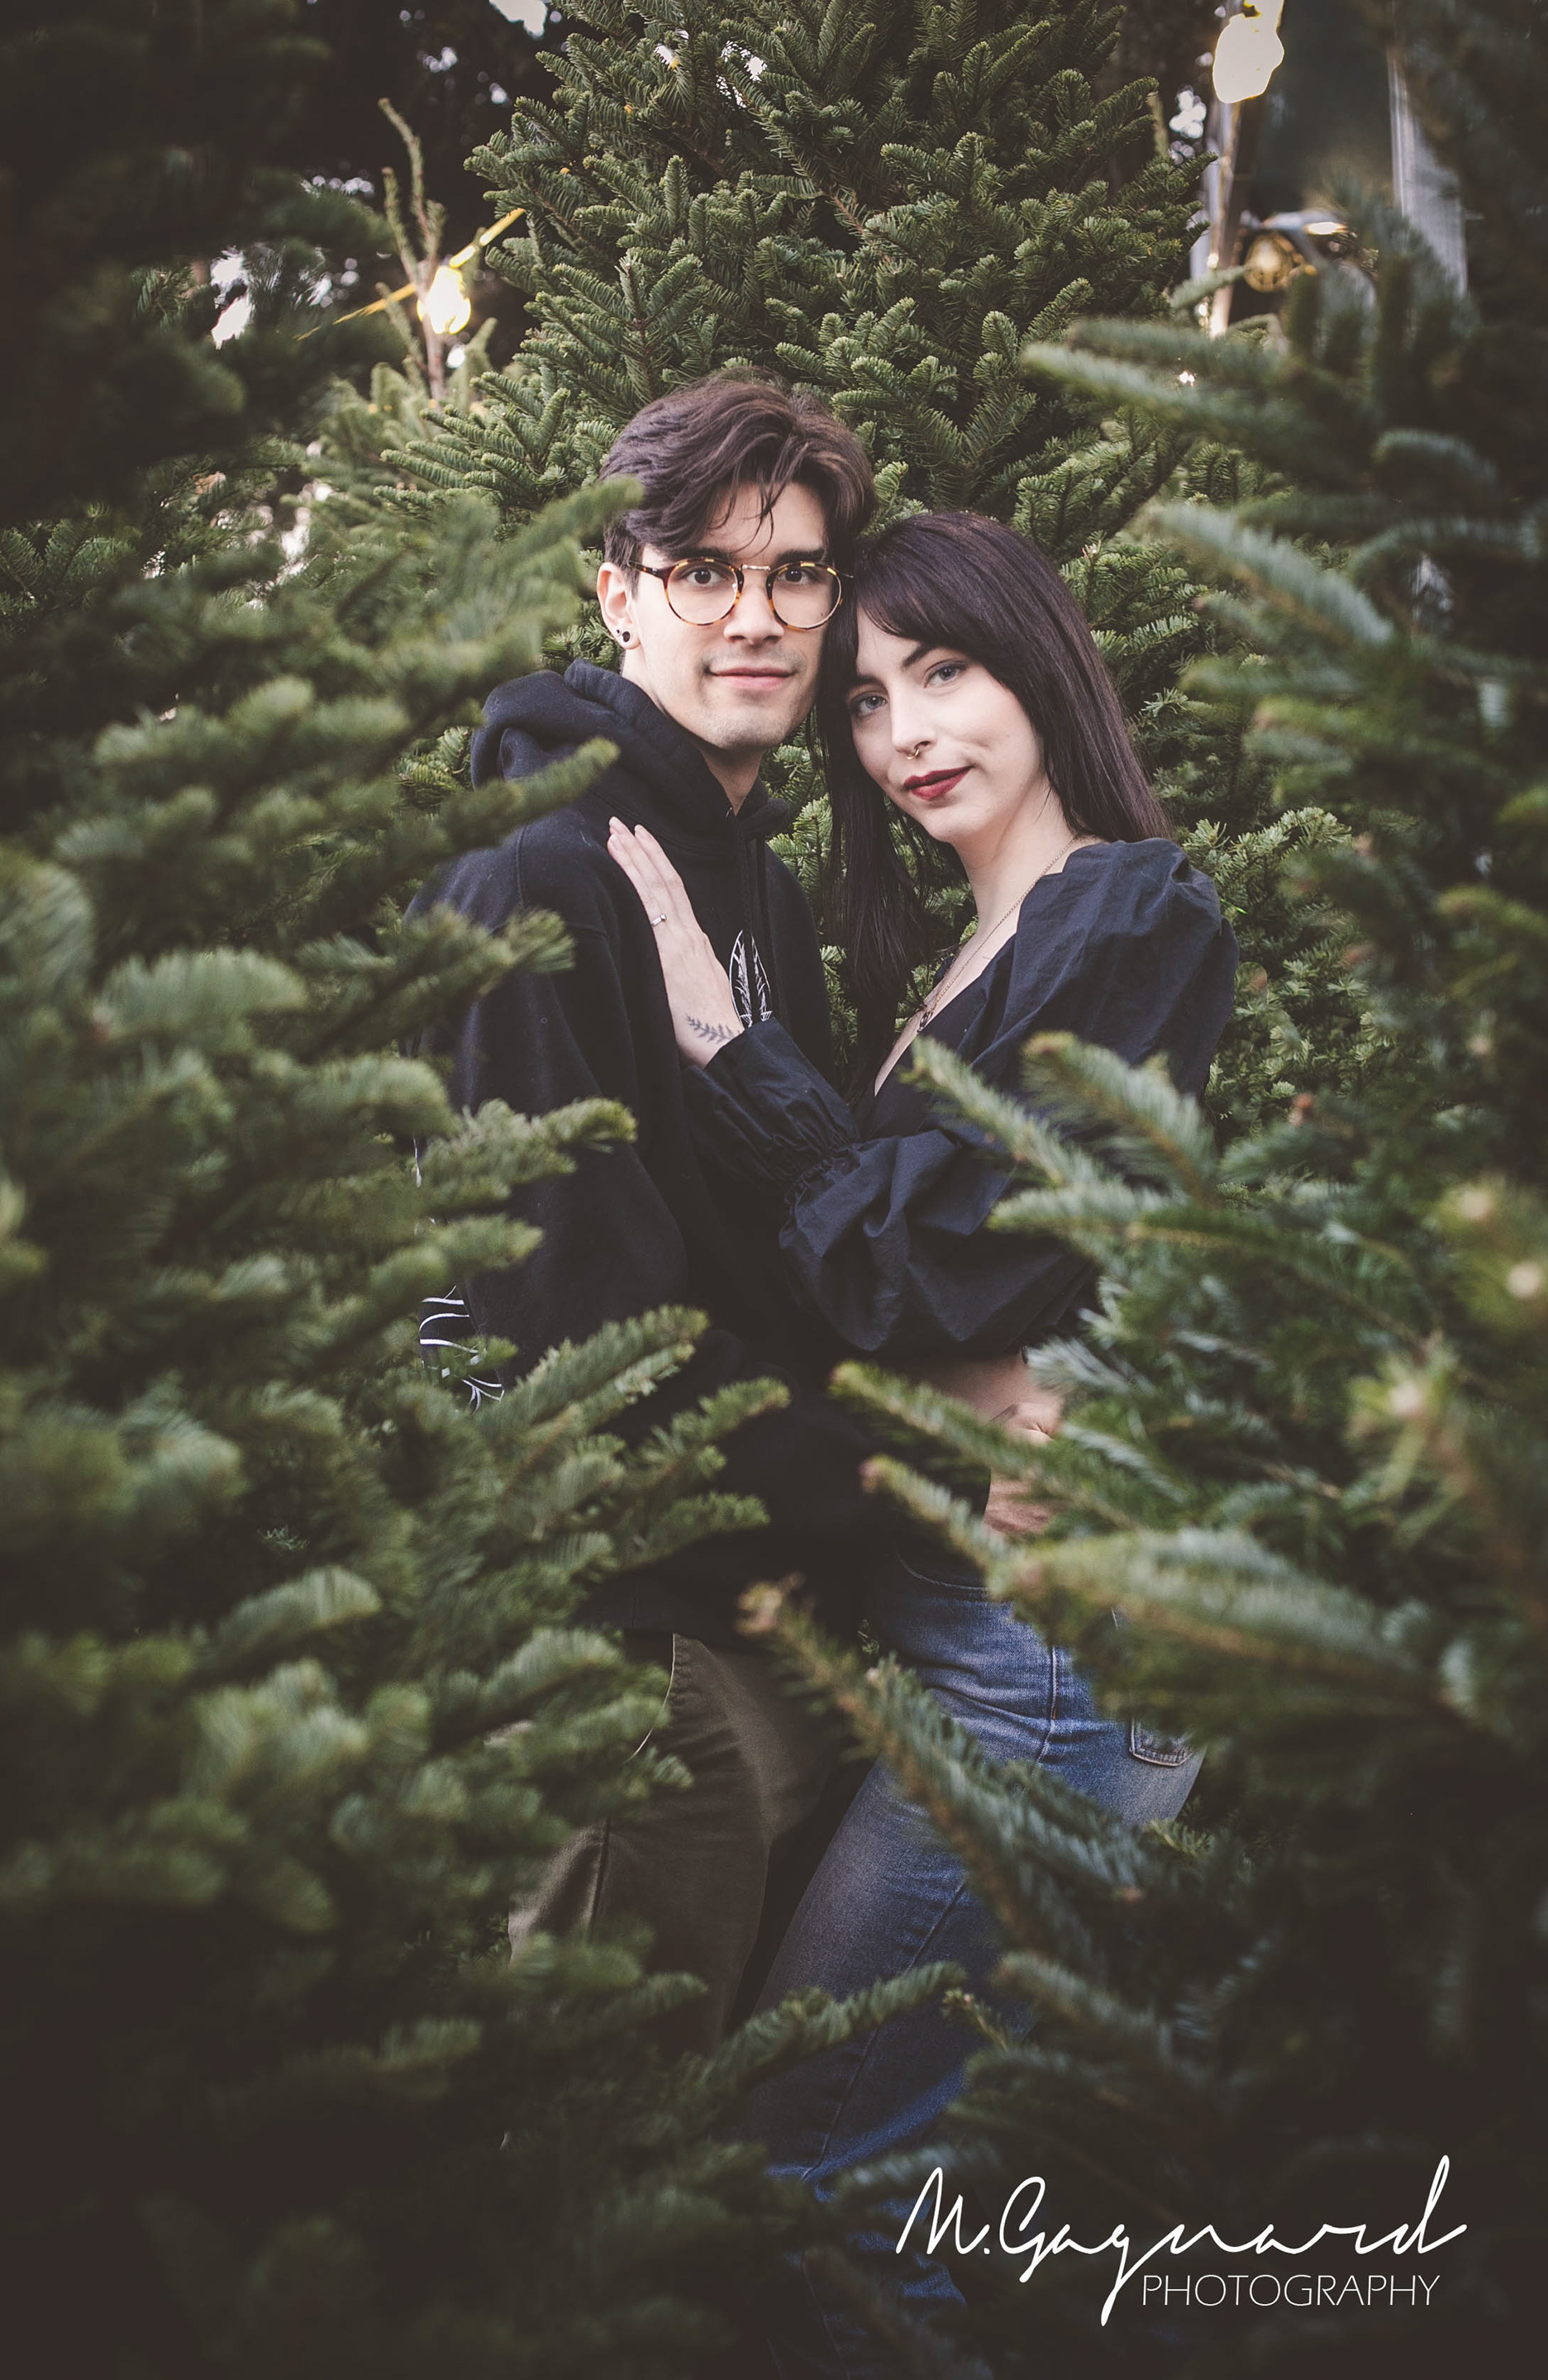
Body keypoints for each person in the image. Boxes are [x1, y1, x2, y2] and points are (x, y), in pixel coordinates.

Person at [606, 510, 1239, 2374]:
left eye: (945, 671)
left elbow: (934, 1266)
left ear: (1040, 665)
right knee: (844, 2162)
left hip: (1046, 1659)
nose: (906, 734)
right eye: (869, 701)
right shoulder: (954, 970)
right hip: (965, 1631)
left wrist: (726, 1047)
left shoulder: (1133, 912)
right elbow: (889, 1299)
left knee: (822, 2177)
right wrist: (965, 1382)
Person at [411, 375, 916, 2063]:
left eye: (797, 574)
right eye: (705, 571)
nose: (755, 617)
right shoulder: (539, 875)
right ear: (617, 593)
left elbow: (790, 1250)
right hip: (629, 1657)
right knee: (584, 2152)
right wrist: (906, 1471)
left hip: (764, 1630)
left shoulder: (757, 879)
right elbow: (570, 1339)